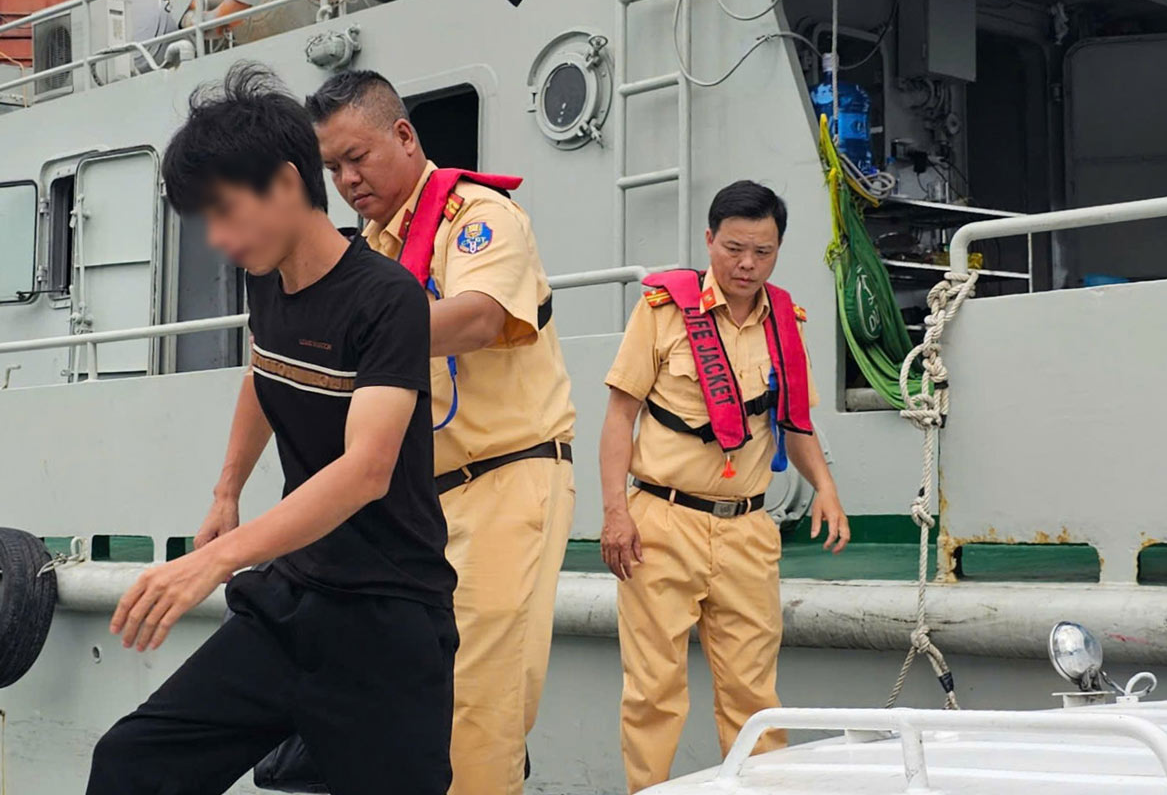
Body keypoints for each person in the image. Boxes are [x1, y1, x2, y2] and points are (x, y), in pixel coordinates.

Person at [85, 63, 457, 795]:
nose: (218, 239)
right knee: (131, 764)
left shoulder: (389, 300)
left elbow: (366, 470)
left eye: (225, 213)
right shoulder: (268, 277)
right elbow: (267, 370)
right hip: (292, 600)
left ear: (288, 183)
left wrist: (213, 565)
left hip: (388, 616)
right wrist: (225, 492)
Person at [307, 70, 576, 795]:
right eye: (332, 167)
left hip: (502, 480)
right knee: (414, 696)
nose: (346, 178)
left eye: (357, 157)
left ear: (404, 135)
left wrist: (349, 337)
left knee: (477, 703)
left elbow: (481, 314)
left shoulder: (479, 217)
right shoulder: (371, 249)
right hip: (420, 503)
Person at [599, 180, 851, 793]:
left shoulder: (785, 324)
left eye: (762, 252)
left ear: (778, 249)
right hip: (661, 522)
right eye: (734, 247)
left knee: (754, 695)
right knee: (654, 692)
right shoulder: (661, 312)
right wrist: (615, 514)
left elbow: (796, 423)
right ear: (709, 240)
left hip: (746, 529)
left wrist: (827, 489)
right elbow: (618, 419)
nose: (746, 264)